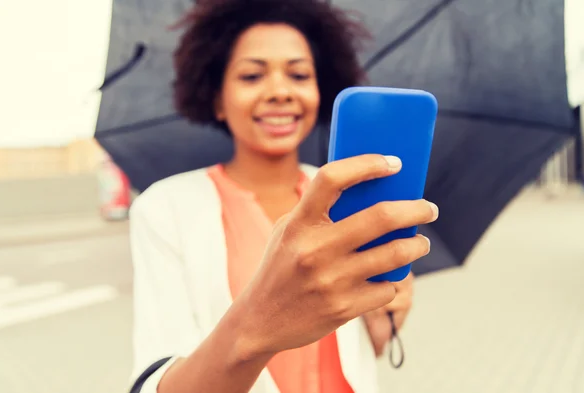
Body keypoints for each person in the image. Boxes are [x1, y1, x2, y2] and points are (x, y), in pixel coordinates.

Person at [128, 0, 439, 392]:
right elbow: (156, 383)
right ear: (217, 98)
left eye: (299, 74)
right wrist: (260, 322)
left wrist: (383, 320)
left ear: (320, 89)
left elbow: (359, 352)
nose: (279, 91)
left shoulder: (351, 195)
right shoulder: (164, 208)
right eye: (252, 76)